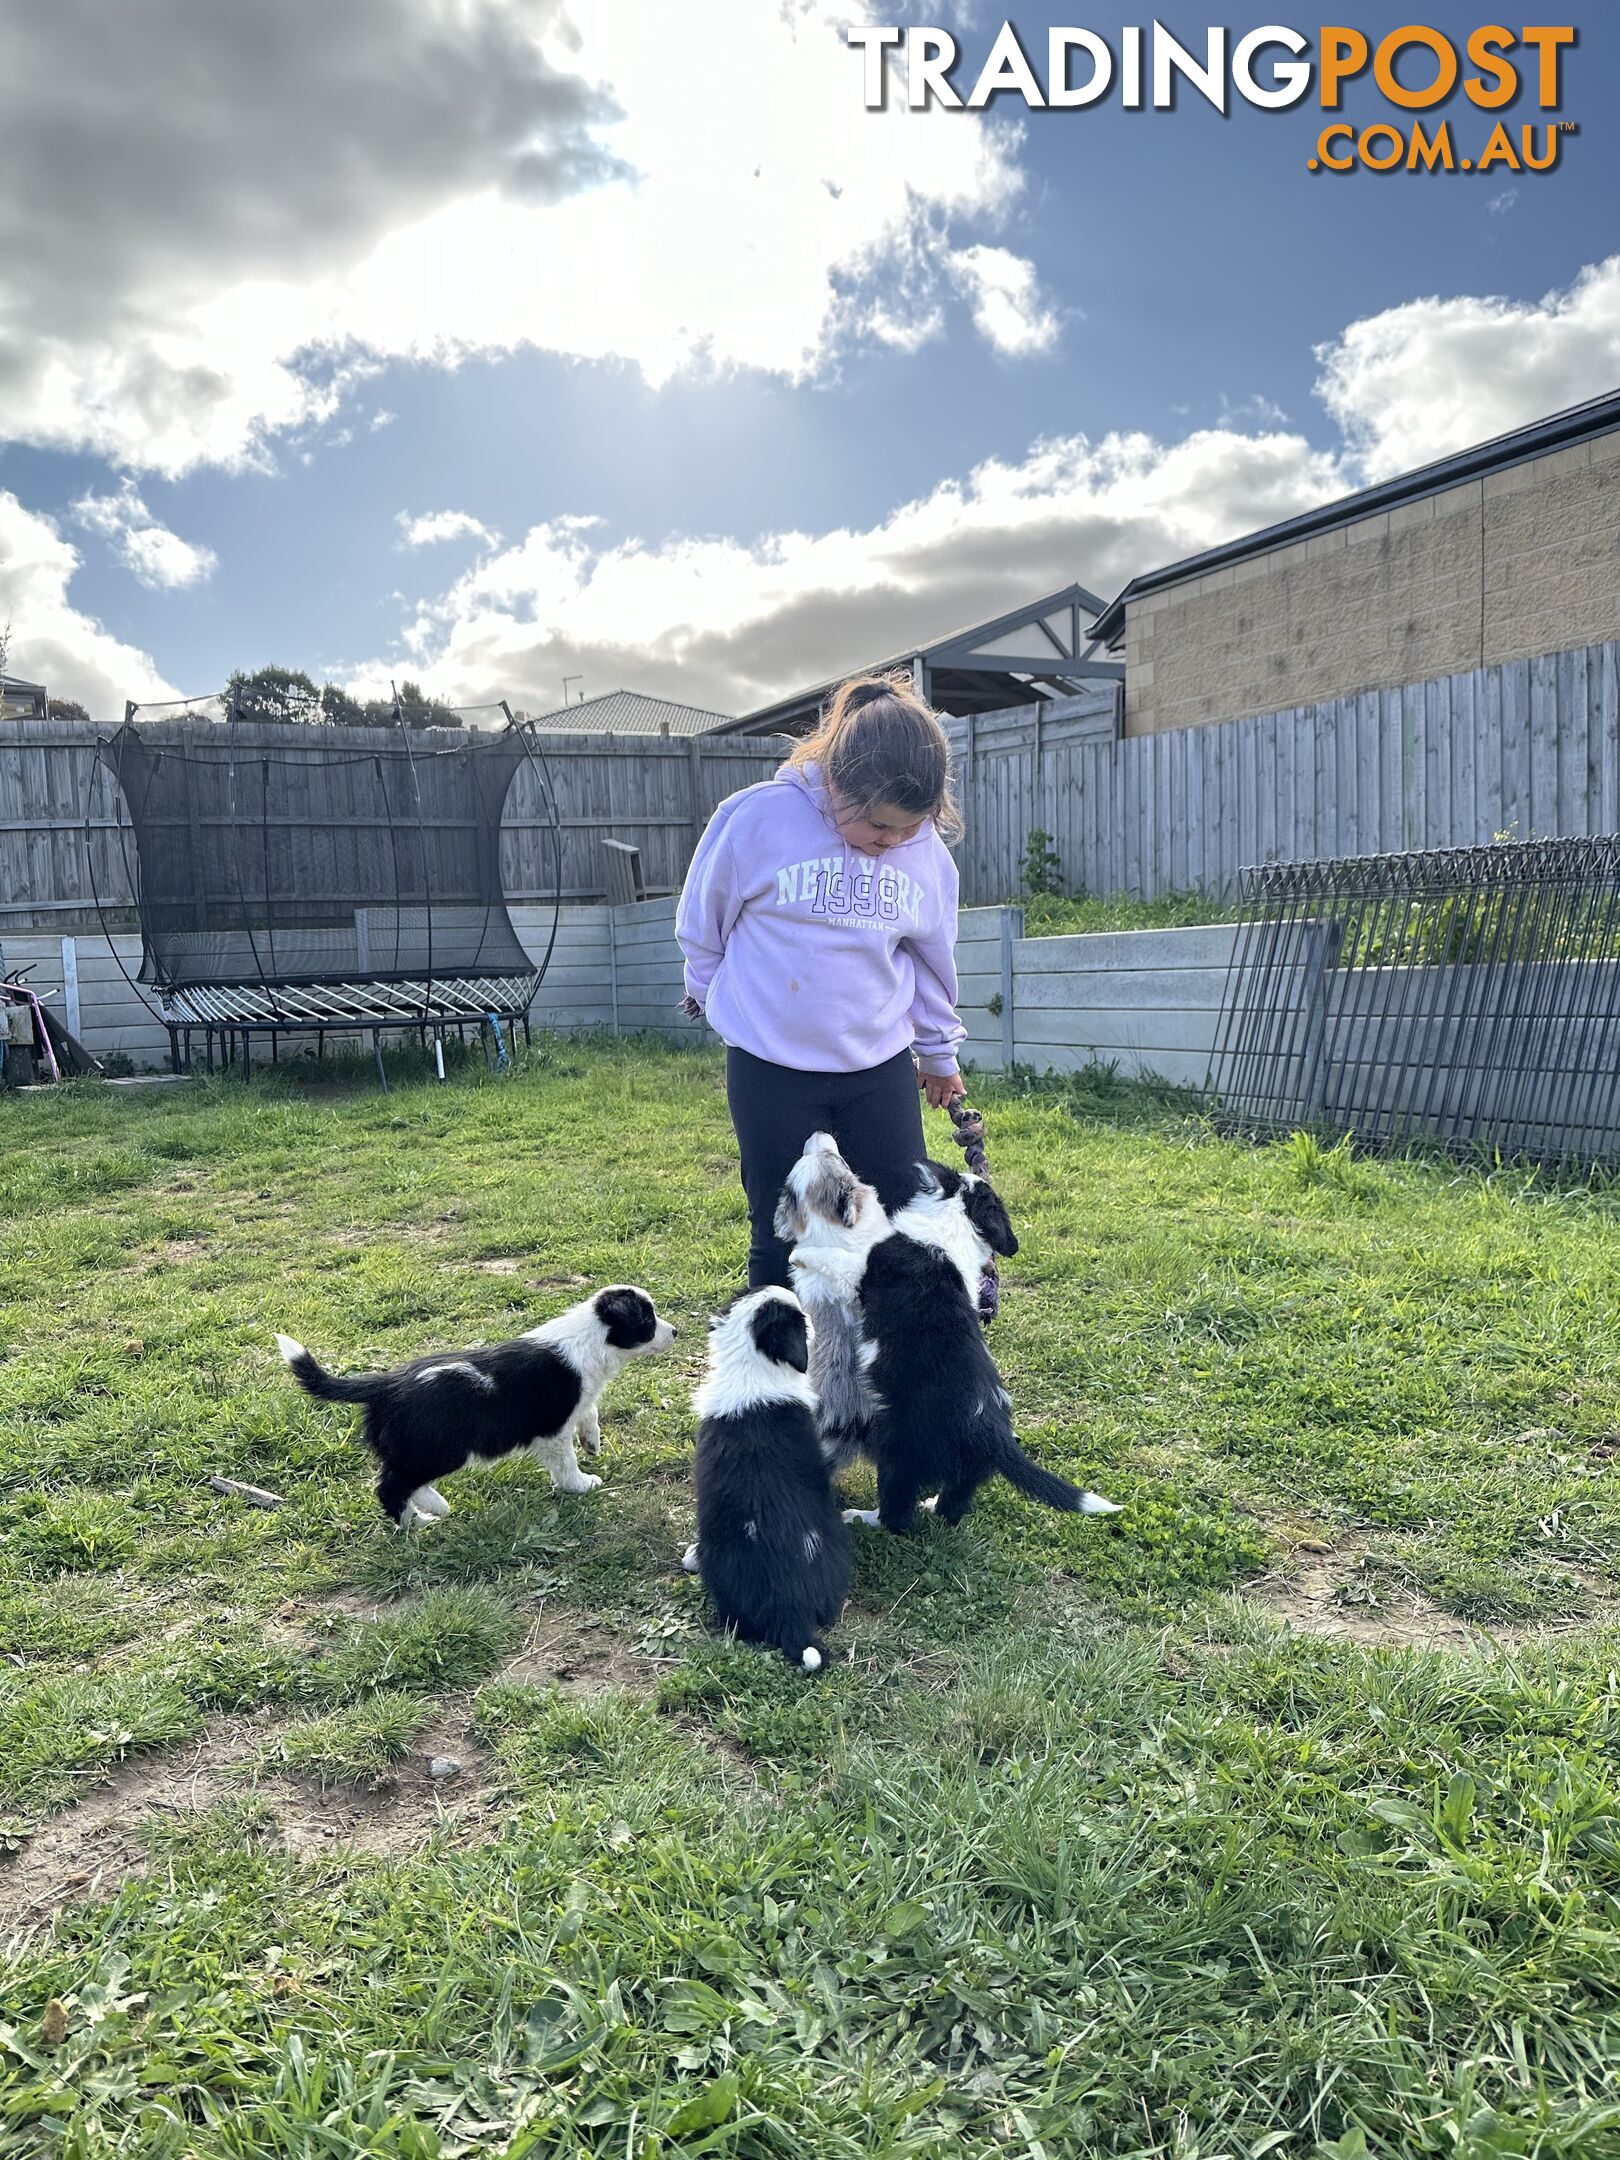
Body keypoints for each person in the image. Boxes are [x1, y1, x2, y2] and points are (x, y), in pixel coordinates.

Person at [676, 672, 966, 1290]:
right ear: (836, 781)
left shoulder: (927, 856)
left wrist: (938, 1054)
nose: (888, 843)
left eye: (906, 830)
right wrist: (713, 1000)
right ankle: (775, 1377)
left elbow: (931, 959)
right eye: (877, 826)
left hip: (878, 1068)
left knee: (897, 1217)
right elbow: (704, 925)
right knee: (781, 1226)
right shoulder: (757, 819)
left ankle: (887, 1355)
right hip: (770, 1066)